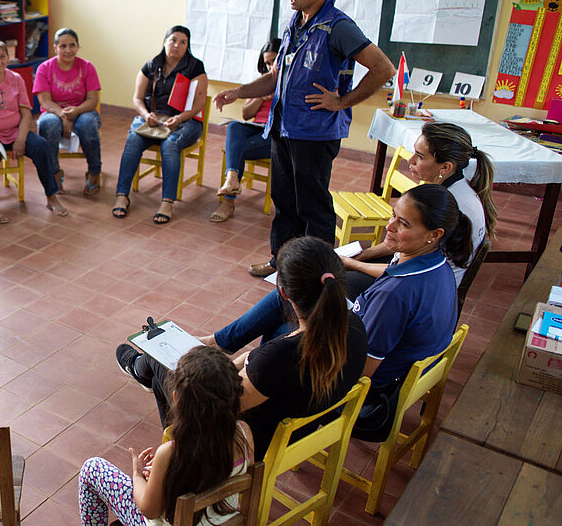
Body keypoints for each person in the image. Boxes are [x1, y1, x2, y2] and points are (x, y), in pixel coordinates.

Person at [190, 184, 468, 443]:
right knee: (299, 296)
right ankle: (224, 346)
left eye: (403, 224)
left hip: (364, 394)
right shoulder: (437, 266)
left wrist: (272, 355)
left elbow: (360, 370)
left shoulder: (393, 296)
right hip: (394, 370)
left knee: (282, 328)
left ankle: (258, 394)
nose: (390, 225)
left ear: (435, 234)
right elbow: (390, 278)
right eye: (394, 215)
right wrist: (355, 266)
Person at [213, 0, 396, 277]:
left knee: (313, 205)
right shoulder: (295, 24)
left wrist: (341, 101)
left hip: (315, 132)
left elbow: (383, 68)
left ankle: (317, 272)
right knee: (284, 199)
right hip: (283, 128)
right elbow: (274, 78)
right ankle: (281, 262)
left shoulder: (338, 27)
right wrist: (237, 92)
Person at [117, 236, 368, 459]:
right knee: (183, 361)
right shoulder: (355, 325)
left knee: (162, 359)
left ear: (283, 291)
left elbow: (210, 407)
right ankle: (144, 368)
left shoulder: (279, 358)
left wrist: (212, 365)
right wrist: (243, 360)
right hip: (306, 424)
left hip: (251, 444)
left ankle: (179, 453)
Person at [79, 346, 253, 526]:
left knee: (91, 469)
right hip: (223, 521)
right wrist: (163, 474)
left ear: (176, 398)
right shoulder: (244, 434)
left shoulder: (170, 453)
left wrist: (138, 475)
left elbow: (149, 509)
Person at [343, 121, 495, 297]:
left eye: (420, 157)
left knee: (333, 285)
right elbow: (401, 244)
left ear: (445, 167)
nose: (411, 160)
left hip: (423, 290)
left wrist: (354, 264)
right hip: (412, 269)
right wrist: (362, 256)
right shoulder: (453, 190)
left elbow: (408, 272)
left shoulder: (447, 209)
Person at [0, 40, 69, 222]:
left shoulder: (15, 79)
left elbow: (26, 114)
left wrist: (21, 140)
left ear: (8, 58)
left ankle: (51, 197)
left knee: (41, 146)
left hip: (13, 132)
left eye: (3, 56)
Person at [112, 25, 208, 224]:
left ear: (188, 46)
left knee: (170, 144)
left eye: (183, 42)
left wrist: (179, 118)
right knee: (133, 140)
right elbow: (137, 99)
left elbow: (199, 105)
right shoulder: (151, 65)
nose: (177, 45)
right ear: (165, 42)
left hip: (184, 121)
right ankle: (122, 195)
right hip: (153, 119)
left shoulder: (195, 67)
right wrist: (146, 115)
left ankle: (167, 202)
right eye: (173, 40)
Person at [211, 39, 280, 223]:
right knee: (234, 126)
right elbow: (246, 114)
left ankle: (228, 202)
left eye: (274, 61)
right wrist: (261, 97)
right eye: (267, 63)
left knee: (236, 150)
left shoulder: (290, 82)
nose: (270, 66)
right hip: (256, 129)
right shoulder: (263, 82)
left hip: (275, 135)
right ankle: (233, 177)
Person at [34, 28, 102, 196]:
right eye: (63, 46)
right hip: (53, 111)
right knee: (47, 124)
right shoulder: (44, 68)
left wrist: (76, 111)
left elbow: (93, 100)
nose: (68, 50)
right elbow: (44, 101)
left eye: (72, 45)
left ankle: (94, 172)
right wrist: (63, 115)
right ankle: (55, 173)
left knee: (87, 124)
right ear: (55, 48)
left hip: (83, 110)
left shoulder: (87, 67)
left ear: (78, 47)